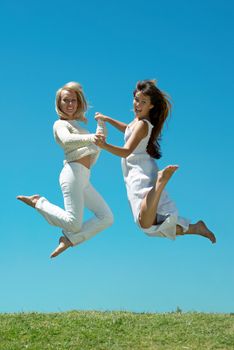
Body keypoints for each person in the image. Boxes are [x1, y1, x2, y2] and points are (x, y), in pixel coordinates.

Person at [94, 80, 216, 243]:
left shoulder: (143, 125)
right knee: (153, 227)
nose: (138, 104)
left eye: (143, 102)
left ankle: (159, 183)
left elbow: (126, 152)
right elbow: (127, 129)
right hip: (138, 169)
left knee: (145, 223)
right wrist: (107, 119)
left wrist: (104, 145)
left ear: (151, 106)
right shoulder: (137, 122)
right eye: (136, 99)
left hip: (139, 172)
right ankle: (195, 227)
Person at [17, 82, 113, 258]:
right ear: (59, 104)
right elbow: (67, 140)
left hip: (84, 177)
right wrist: (93, 137)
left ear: (78, 103)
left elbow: (97, 144)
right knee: (74, 223)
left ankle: (69, 240)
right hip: (73, 174)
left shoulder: (80, 127)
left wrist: (101, 123)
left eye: (73, 100)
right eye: (66, 100)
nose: (70, 104)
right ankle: (38, 202)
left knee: (106, 217)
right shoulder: (60, 124)